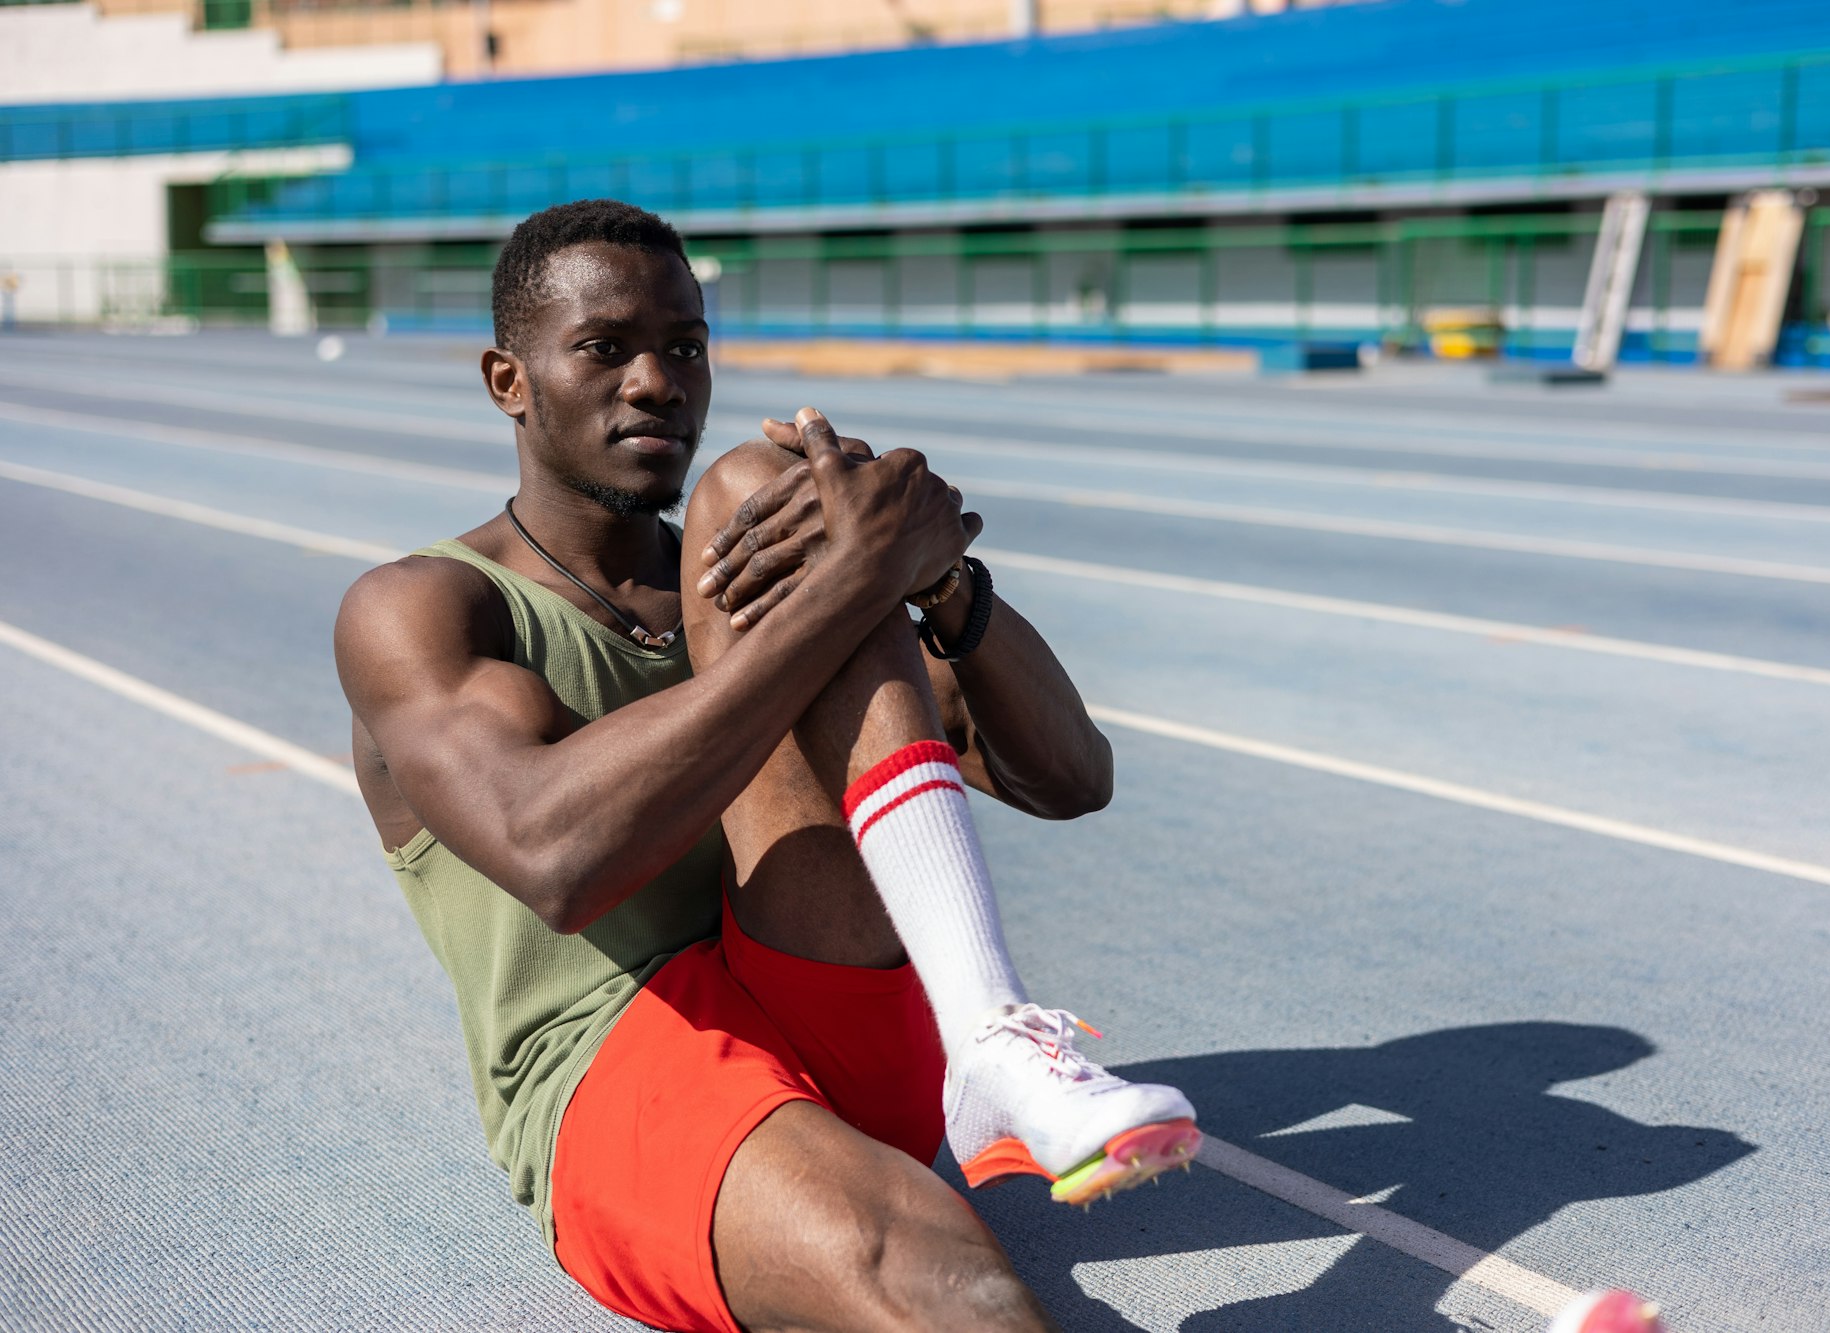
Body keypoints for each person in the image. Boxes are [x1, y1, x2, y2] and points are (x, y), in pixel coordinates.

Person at [332, 198, 1198, 1333]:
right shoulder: (423, 609)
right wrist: (852, 577)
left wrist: (936, 582)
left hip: (825, 997)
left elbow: (1070, 776)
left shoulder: (758, 563)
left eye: (683, 346)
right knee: (958, 1290)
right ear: (510, 380)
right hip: (616, 1064)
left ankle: (991, 1036)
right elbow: (557, 857)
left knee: (754, 482)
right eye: (603, 348)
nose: (655, 381)